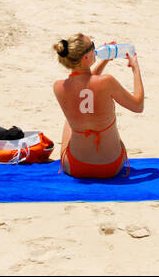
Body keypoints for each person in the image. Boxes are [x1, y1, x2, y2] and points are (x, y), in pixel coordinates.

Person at [52, 33, 144, 179]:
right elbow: (138, 106)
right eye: (93, 46)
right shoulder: (107, 82)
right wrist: (135, 68)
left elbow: (85, 84)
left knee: (72, 116)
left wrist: (104, 61)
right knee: (102, 117)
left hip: (75, 167)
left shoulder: (59, 87)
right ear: (86, 57)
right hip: (111, 167)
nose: (96, 48)